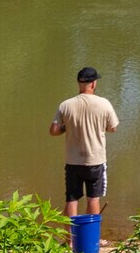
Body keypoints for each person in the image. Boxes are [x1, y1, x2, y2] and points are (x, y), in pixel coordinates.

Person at [50, 66, 119, 216]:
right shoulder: (104, 104)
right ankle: (90, 238)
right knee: (93, 199)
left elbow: (54, 131)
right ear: (94, 84)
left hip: (73, 161)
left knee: (71, 199)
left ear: (78, 83)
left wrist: (65, 128)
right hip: (96, 160)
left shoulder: (65, 105)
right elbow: (113, 128)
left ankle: (70, 239)